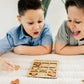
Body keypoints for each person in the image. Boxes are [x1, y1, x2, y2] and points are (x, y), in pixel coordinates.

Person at [0, 0, 53, 71]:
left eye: (40, 21)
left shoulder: (45, 28)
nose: (36, 27)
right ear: (20, 20)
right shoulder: (13, 35)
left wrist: (21, 49)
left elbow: (47, 49)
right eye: (30, 23)